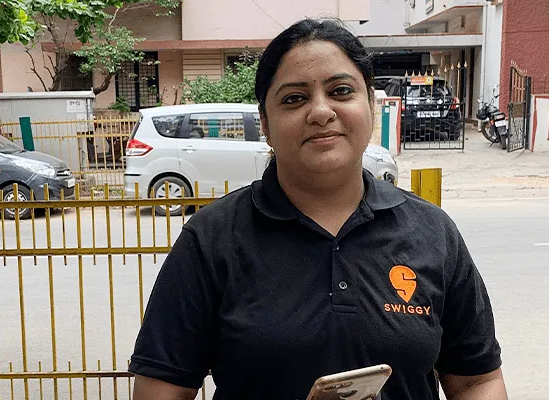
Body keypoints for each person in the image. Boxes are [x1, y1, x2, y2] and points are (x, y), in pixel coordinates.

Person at [129, 18, 507, 400]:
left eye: (341, 91)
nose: (321, 112)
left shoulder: (432, 232)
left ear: (371, 105)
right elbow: (160, 390)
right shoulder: (211, 240)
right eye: (294, 98)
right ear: (265, 124)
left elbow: (477, 381)